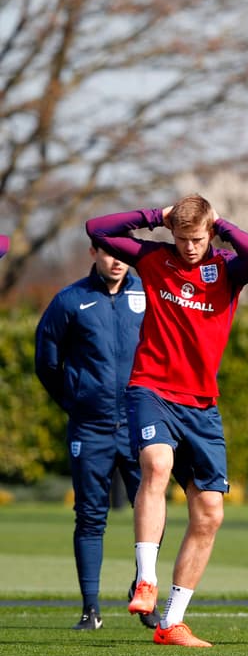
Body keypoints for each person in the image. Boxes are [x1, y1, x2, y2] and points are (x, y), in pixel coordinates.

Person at [87, 195, 248, 647]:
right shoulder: (152, 258)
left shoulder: (228, 270)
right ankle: (145, 579)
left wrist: (221, 222)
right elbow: (98, 229)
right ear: (172, 234)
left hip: (203, 405)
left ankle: (171, 623)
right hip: (151, 389)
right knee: (157, 466)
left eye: (198, 238)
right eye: (182, 238)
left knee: (210, 513)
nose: (189, 247)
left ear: (210, 233)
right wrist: (155, 217)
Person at [35, 242, 156, 631]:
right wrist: (76, 399)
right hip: (91, 427)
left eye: (122, 253)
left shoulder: (149, 293)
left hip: (141, 423)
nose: (116, 260)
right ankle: (90, 609)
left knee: (152, 514)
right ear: (93, 252)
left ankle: (143, 590)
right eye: (108, 252)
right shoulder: (70, 300)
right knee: (89, 517)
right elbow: (47, 361)